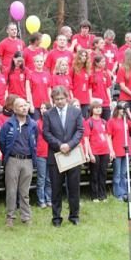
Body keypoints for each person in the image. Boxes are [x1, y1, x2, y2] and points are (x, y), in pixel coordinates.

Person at [42, 87, 84, 226]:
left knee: (74, 188)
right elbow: (46, 133)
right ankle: (56, 218)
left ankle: (74, 216)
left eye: (62, 99)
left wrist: (70, 145)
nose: (59, 101)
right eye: (56, 99)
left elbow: (79, 130)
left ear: (67, 98)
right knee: (56, 188)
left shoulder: (76, 112)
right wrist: (60, 145)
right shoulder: (48, 114)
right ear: (53, 100)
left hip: (72, 154)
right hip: (56, 155)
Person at [0, 97, 38, 226]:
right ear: (14, 109)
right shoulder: (8, 124)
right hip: (12, 160)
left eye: (26, 105)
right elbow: (2, 142)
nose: (25, 108)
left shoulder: (33, 124)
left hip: (27, 160)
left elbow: (35, 140)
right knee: (11, 190)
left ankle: (26, 217)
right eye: (21, 106)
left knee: (25, 191)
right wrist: (9, 155)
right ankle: (10, 217)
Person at [83, 99, 110, 202]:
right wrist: (90, 154)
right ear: (92, 109)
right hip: (95, 151)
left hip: (105, 151)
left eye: (100, 108)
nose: (99, 109)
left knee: (103, 174)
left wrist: (110, 151)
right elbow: (86, 139)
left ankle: (103, 195)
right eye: (96, 108)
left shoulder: (104, 122)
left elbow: (107, 137)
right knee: (94, 174)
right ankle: (94, 196)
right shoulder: (88, 122)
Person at [107, 104, 131, 200]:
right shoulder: (112, 121)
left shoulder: (126, 121)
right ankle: (118, 193)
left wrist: (129, 113)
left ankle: (124, 192)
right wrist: (111, 150)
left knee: (124, 173)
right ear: (117, 109)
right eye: (122, 109)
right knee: (117, 174)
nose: (123, 110)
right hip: (117, 150)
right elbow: (109, 137)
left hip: (126, 151)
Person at [35, 102, 53, 207]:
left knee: (49, 179)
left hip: (50, 152)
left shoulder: (52, 122)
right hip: (41, 153)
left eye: (44, 108)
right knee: (41, 178)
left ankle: (49, 198)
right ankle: (41, 200)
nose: (42, 110)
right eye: (41, 108)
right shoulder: (37, 123)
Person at [26, 54, 52, 120]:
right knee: (37, 125)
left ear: (43, 62)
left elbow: (49, 90)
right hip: (35, 105)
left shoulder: (47, 74)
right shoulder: (30, 74)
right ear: (34, 63)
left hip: (46, 105)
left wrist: (51, 102)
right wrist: (30, 104)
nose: (39, 63)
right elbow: (28, 91)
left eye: (41, 61)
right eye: (37, 61)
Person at [70, 49, 92, 118]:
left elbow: (89, 87)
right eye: (82, 56)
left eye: (85, 56)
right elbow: (70, 85)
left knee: (85, 119)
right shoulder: (73, 69)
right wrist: (72, 98)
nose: (84, 57)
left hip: (86, 100)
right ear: (78, 57)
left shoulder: (88, 70)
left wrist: (90, 99)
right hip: (76, 99)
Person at [89, 55, 113, 120]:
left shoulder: (106, 73)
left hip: (106, 102)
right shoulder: (91, 74)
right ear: (96, 63)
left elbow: (108, 88)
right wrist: (90, 100)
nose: (104, 63)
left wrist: (110, 101)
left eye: (104, 61)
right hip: (96, 102)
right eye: (102, 61)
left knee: (106, 122)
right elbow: (90, 89)